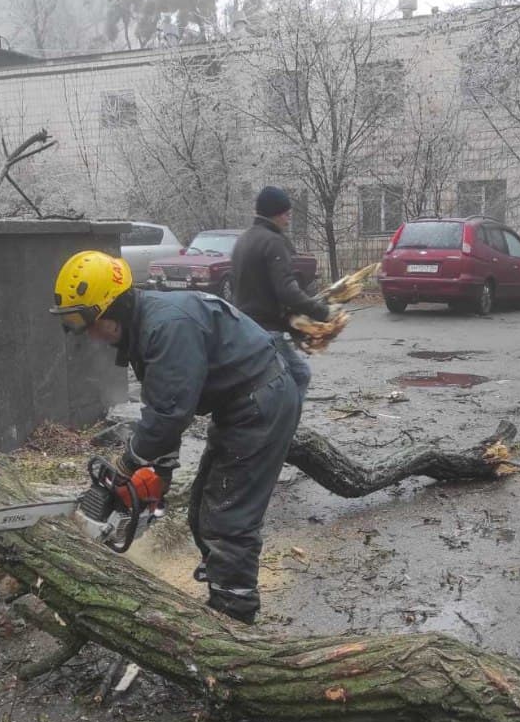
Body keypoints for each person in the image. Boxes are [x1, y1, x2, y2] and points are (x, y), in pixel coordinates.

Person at [50, 250, 300, 625]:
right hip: (239, 403)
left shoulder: (165, 327)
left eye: (86, 321)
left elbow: (170, 413)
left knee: (228, 517)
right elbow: (164, 401)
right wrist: (161, 469)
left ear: (110, 308)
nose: (88, 333)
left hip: (259, 402)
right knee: (202, 506)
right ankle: (221, 580)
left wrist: (127, 465)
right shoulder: (141, 328)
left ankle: (235, 614)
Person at [232, 185, 330, 401]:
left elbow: (257, 288)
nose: (288, 220)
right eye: (286, 215)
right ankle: (282, 428)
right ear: (275, 214)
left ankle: (266, 424)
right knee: (299, 375)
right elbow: (287, 291)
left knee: (262, 383)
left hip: (243, 327)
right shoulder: (273, 241)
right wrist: (321, 312)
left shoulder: (243, 239)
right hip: (265, 331)